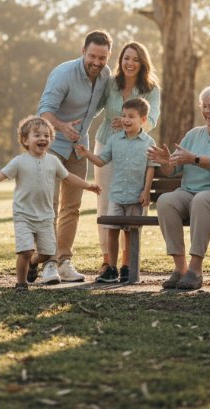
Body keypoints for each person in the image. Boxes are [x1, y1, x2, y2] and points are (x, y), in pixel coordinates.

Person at [0, 116, 101, 292]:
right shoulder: (19, 161)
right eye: (37, 135)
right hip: (24, 216)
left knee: (47, 253)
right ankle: (21, 283)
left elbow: (68, 177)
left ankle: (32, 264)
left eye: (46, 135)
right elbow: (0, 174)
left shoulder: (53, 162)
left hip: (45, 217)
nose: (42, 138)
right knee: (25, 250)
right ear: (25, 140)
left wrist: (88, 185)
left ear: (51, 140)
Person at [146, 83, 210, 291]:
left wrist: (194, 158)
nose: (207, 111)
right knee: (166, 201)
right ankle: (180, 269)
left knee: (202, 200)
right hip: (189, 192)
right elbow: (172, 171)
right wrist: (166, 161)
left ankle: (195, 270)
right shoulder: (194, 134)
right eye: (204, 106)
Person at [37, 30, 113, 282]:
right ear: (83, 51)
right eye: (92, 55)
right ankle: (47, 263)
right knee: (50, 206)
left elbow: (101, 105)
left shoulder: (105, 75)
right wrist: (62, 126)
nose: (97, 62)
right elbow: (44, 112)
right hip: (53, 146)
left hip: (79, 148)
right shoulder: (63, 74)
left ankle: (64, 262)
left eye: (102, 57)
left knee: (72, 207)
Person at [92, 41, 160, 282]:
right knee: (106, 204)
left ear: (143, 63)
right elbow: (94, 107)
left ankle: (126, 263)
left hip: (135, 149)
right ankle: (107, 263)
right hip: (106, 145)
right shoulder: (111, 83)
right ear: (120, 61)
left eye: (135, 59)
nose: (129, 63)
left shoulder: (151, 89)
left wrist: (131, 125)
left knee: (131, 207)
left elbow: (151, 119)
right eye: (126, 58)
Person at [75, 97, 158, 283]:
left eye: (131, 116)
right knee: (112, 230)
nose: (126, 120)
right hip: (116, 195)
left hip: (136, 197)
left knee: (131, 232)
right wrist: (87, 153)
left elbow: (151, 167)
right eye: (123, 115)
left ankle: (128, 266)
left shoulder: (148, 141)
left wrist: (146, 191)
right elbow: (101, 161)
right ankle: (111, 267)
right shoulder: (114, 140)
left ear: (143, 120)